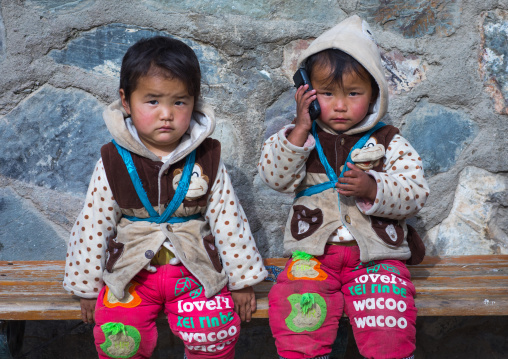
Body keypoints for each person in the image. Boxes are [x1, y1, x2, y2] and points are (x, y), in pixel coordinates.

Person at [63, 36, 268, 359]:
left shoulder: (207, 157)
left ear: (194, 102)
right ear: (126, 101)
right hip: (132, 276)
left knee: (214, 332)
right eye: (153, 101)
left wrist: (242, 281)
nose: (166, 114)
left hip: (194, 273)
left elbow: (229, 221)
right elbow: (94, 224)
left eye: (179, 102)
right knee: (120, 339)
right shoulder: (113, 160)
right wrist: (87, 289)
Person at [258, 15, 429, 359]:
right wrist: (300, 131)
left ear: (374, 93)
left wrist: (373, 188)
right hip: (314, 256)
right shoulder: (299, 136)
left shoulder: (388, 141)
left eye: (353, 93)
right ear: (307, 92)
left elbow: (415, 194)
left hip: (376, 256)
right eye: (326, 93)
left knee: (387, 322)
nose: (338, 105)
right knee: (298, 313)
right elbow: (275, 178)